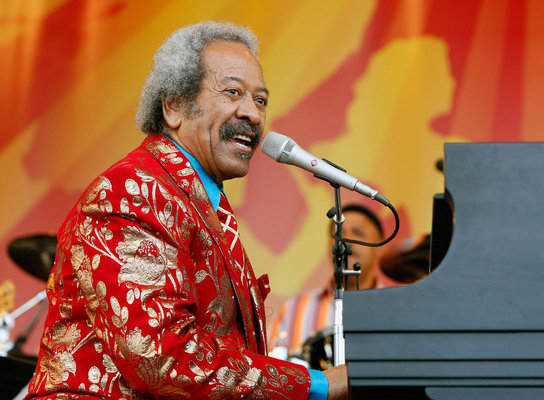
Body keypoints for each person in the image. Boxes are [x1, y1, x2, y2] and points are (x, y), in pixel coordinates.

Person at [26, 21, 347, 400]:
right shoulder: (132, 193)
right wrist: (322, 384)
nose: (254, 115)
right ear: (174, 105)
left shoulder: (198, 200)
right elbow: (160, 356)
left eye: (260, 100)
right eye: (233, 93)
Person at [269, 204, 384, 363]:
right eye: (338, 234)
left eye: (358, 233)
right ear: (328, 246)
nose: (345, 240)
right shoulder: (293, 309)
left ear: (379, 246)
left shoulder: (398, 310)